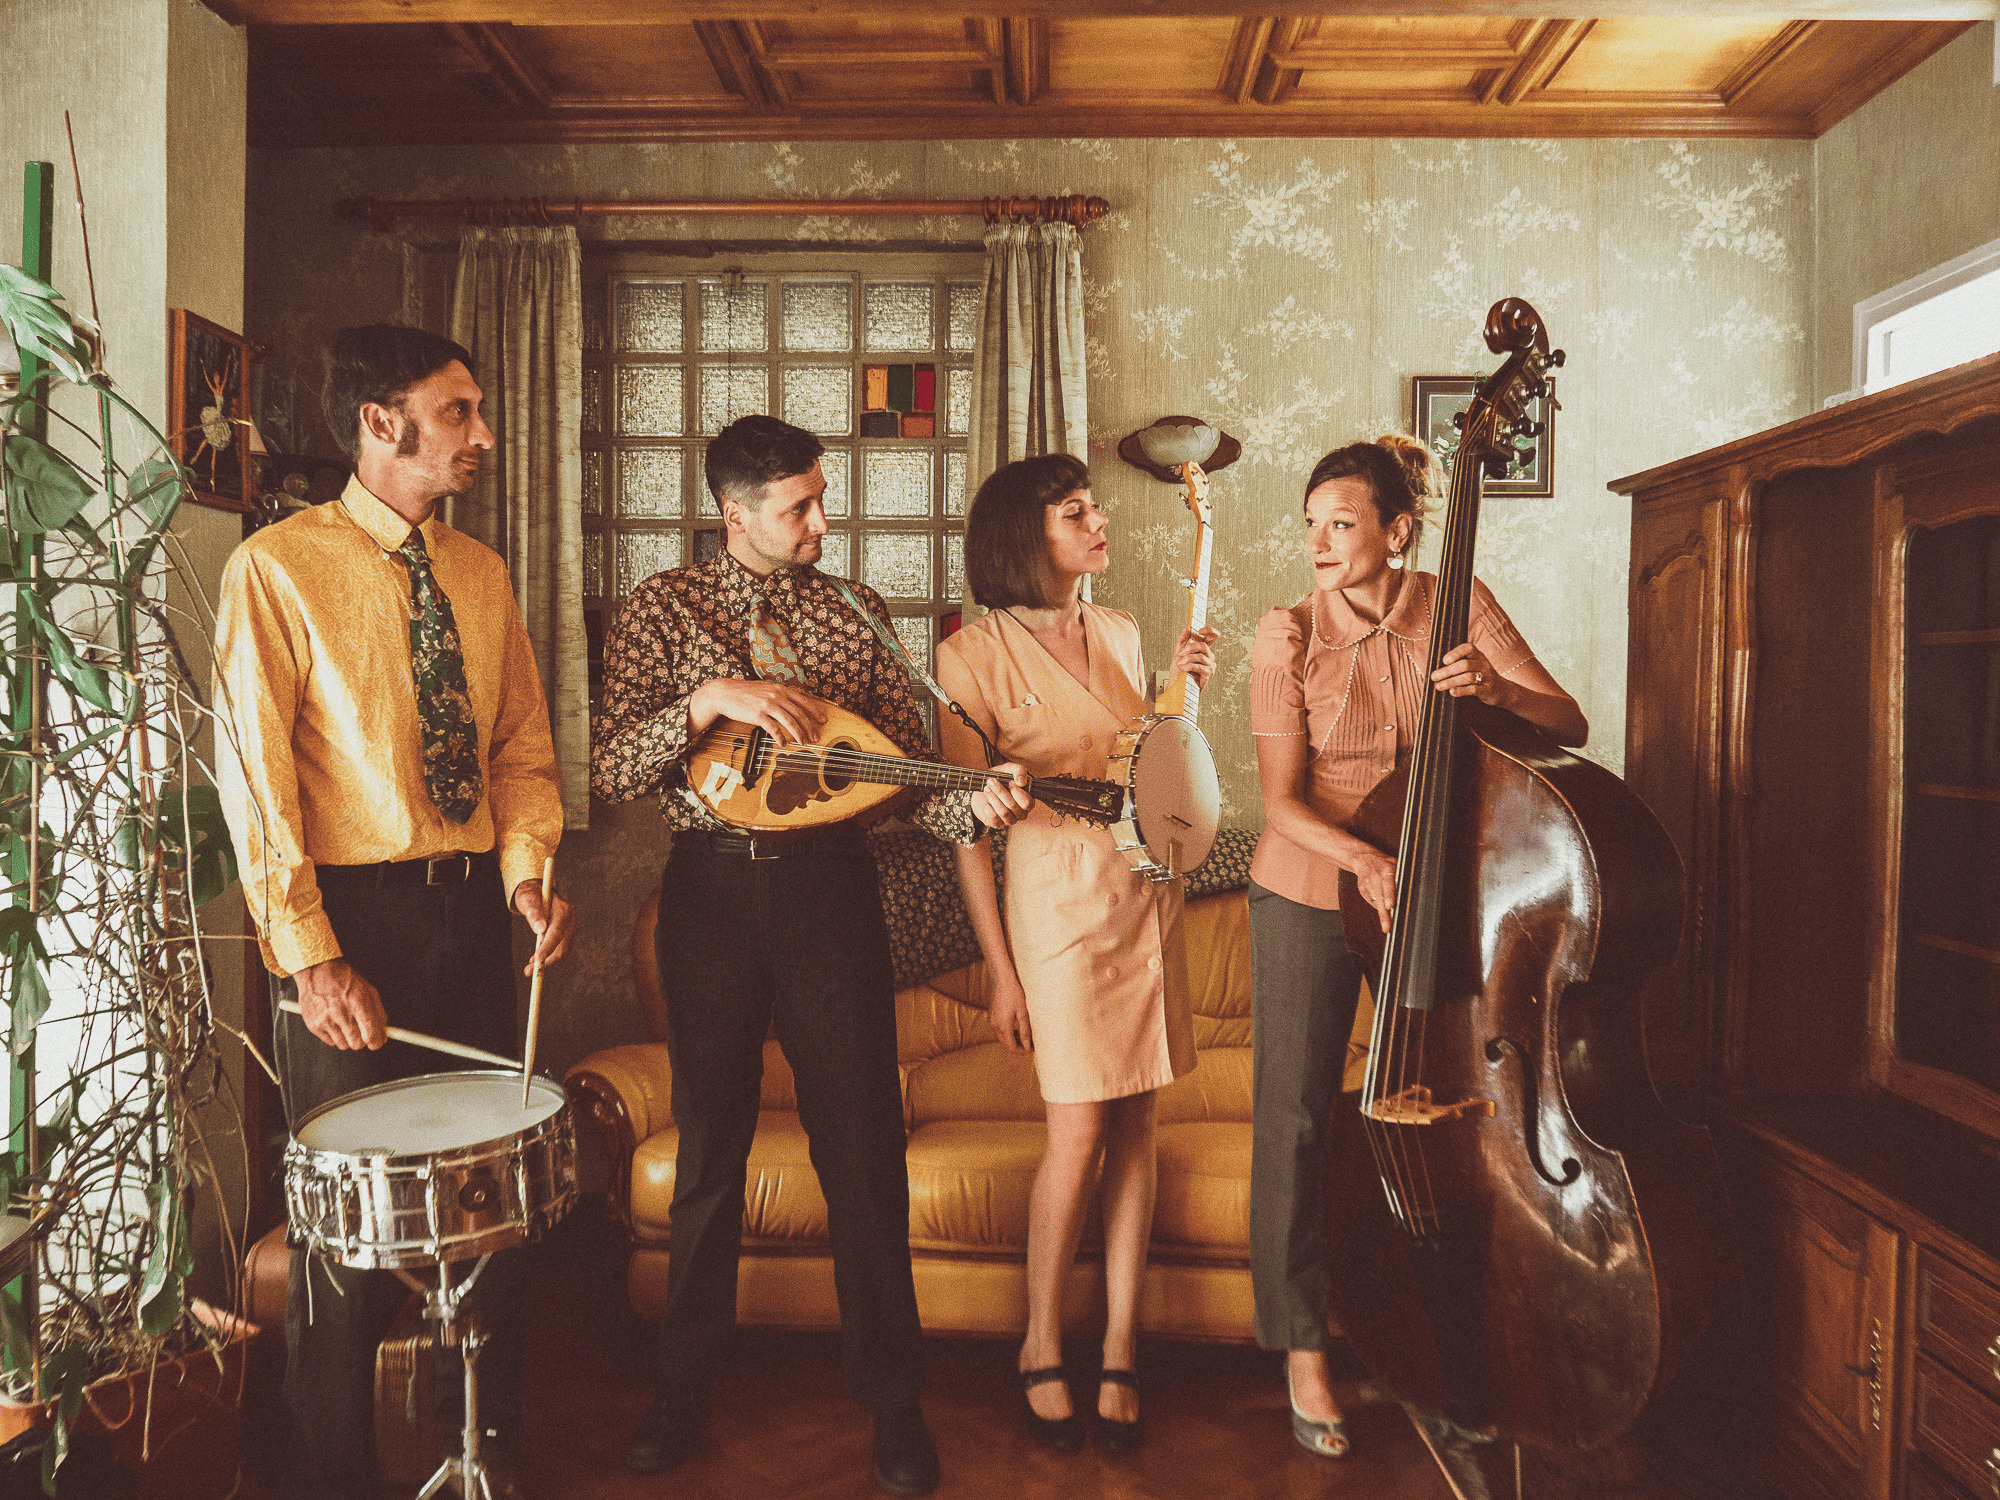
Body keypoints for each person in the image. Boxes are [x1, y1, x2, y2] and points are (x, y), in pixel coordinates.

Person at [590, 414, 1033, 1498]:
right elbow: (610, 769)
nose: (821, 523)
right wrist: (706, 700)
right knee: (710, 1148)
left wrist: (973, 803)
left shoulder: (855, 612)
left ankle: (893, 1401)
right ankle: (681, 1387)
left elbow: (906, 782)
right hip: (707, 895)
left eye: (820, 499)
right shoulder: (661, 609)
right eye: (798, 507)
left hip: (832, 894)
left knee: (862, 1149)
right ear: (732, 513)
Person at [214, 325, 576, 1500]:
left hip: (473, 915)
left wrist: (525, 877)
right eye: (458, 410)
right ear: (382, 423)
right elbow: (256, 783)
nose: (482, 434)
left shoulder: (481, 573)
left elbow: (520, 748)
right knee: (345, 1219)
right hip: (346, 927)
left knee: (490, 1194)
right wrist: (310, 958)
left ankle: (484, 1450)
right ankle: (331, 1473)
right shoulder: (275, 569)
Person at [1245, 434, 1587, 1459]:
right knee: (1298, 1121)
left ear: (1396, 533)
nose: (1318, 542)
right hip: (1312, 886)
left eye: (1340, 523)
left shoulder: (1455, 601)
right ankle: (1301, 1349)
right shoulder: (1284, 634)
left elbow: (1565, 721)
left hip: (1436, 897)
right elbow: (1279, 803)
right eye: (1310, 524)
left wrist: (1494, 690)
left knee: (1436, 1116)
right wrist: (1365, 861)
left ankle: (1435, 1343)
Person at [932, 453, 1217, 1456]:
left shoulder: (1122, 630)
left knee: (1137, 1123)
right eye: (1075, 512)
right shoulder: (967, 657)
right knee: (1079, 1131)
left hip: (1147, 896)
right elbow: (964, 827)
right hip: (1054, 906)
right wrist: (1001, 971)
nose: (1099, 523)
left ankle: (1122, 1346)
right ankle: (1041, 1341)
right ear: (1027, 535)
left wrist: (1180, 690)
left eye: (1093, 508)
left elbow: (1150, 761)